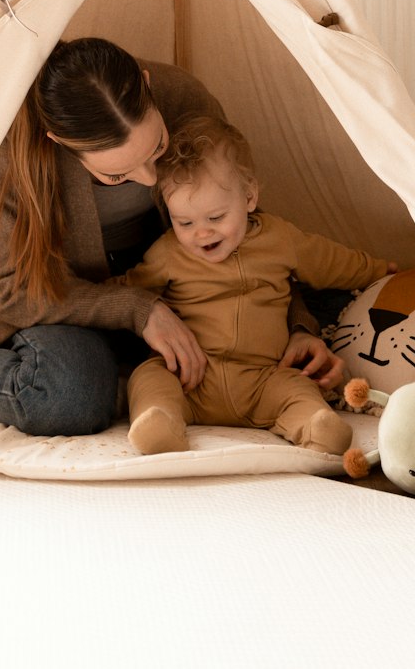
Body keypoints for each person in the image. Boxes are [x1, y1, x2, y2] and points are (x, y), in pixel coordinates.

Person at [0, 37, 342, 436]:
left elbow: (242, 227)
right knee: (68, 396)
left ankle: (123, 374)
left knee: (330, 301)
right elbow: (8, 287)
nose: (151, 177)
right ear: (59, 144)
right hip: (67, 300)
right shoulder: (7, 146)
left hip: (186, 290)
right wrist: (137, 309)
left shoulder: (182, 98)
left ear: (147, 87)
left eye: (158, 147)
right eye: (116, 175)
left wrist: (298, 327)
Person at [119, 114, 394, 456]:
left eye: (216, 218)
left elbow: (331, 262)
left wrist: (383, 269)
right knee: (149, 378)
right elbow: (128, 290)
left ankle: (315, 425)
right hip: (190, 378)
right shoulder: (167, 253)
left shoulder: (280, 238)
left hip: (264, 377)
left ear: (249, 196)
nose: (201, 233)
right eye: (184, 222)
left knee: (297, 389)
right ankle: (159, 423)